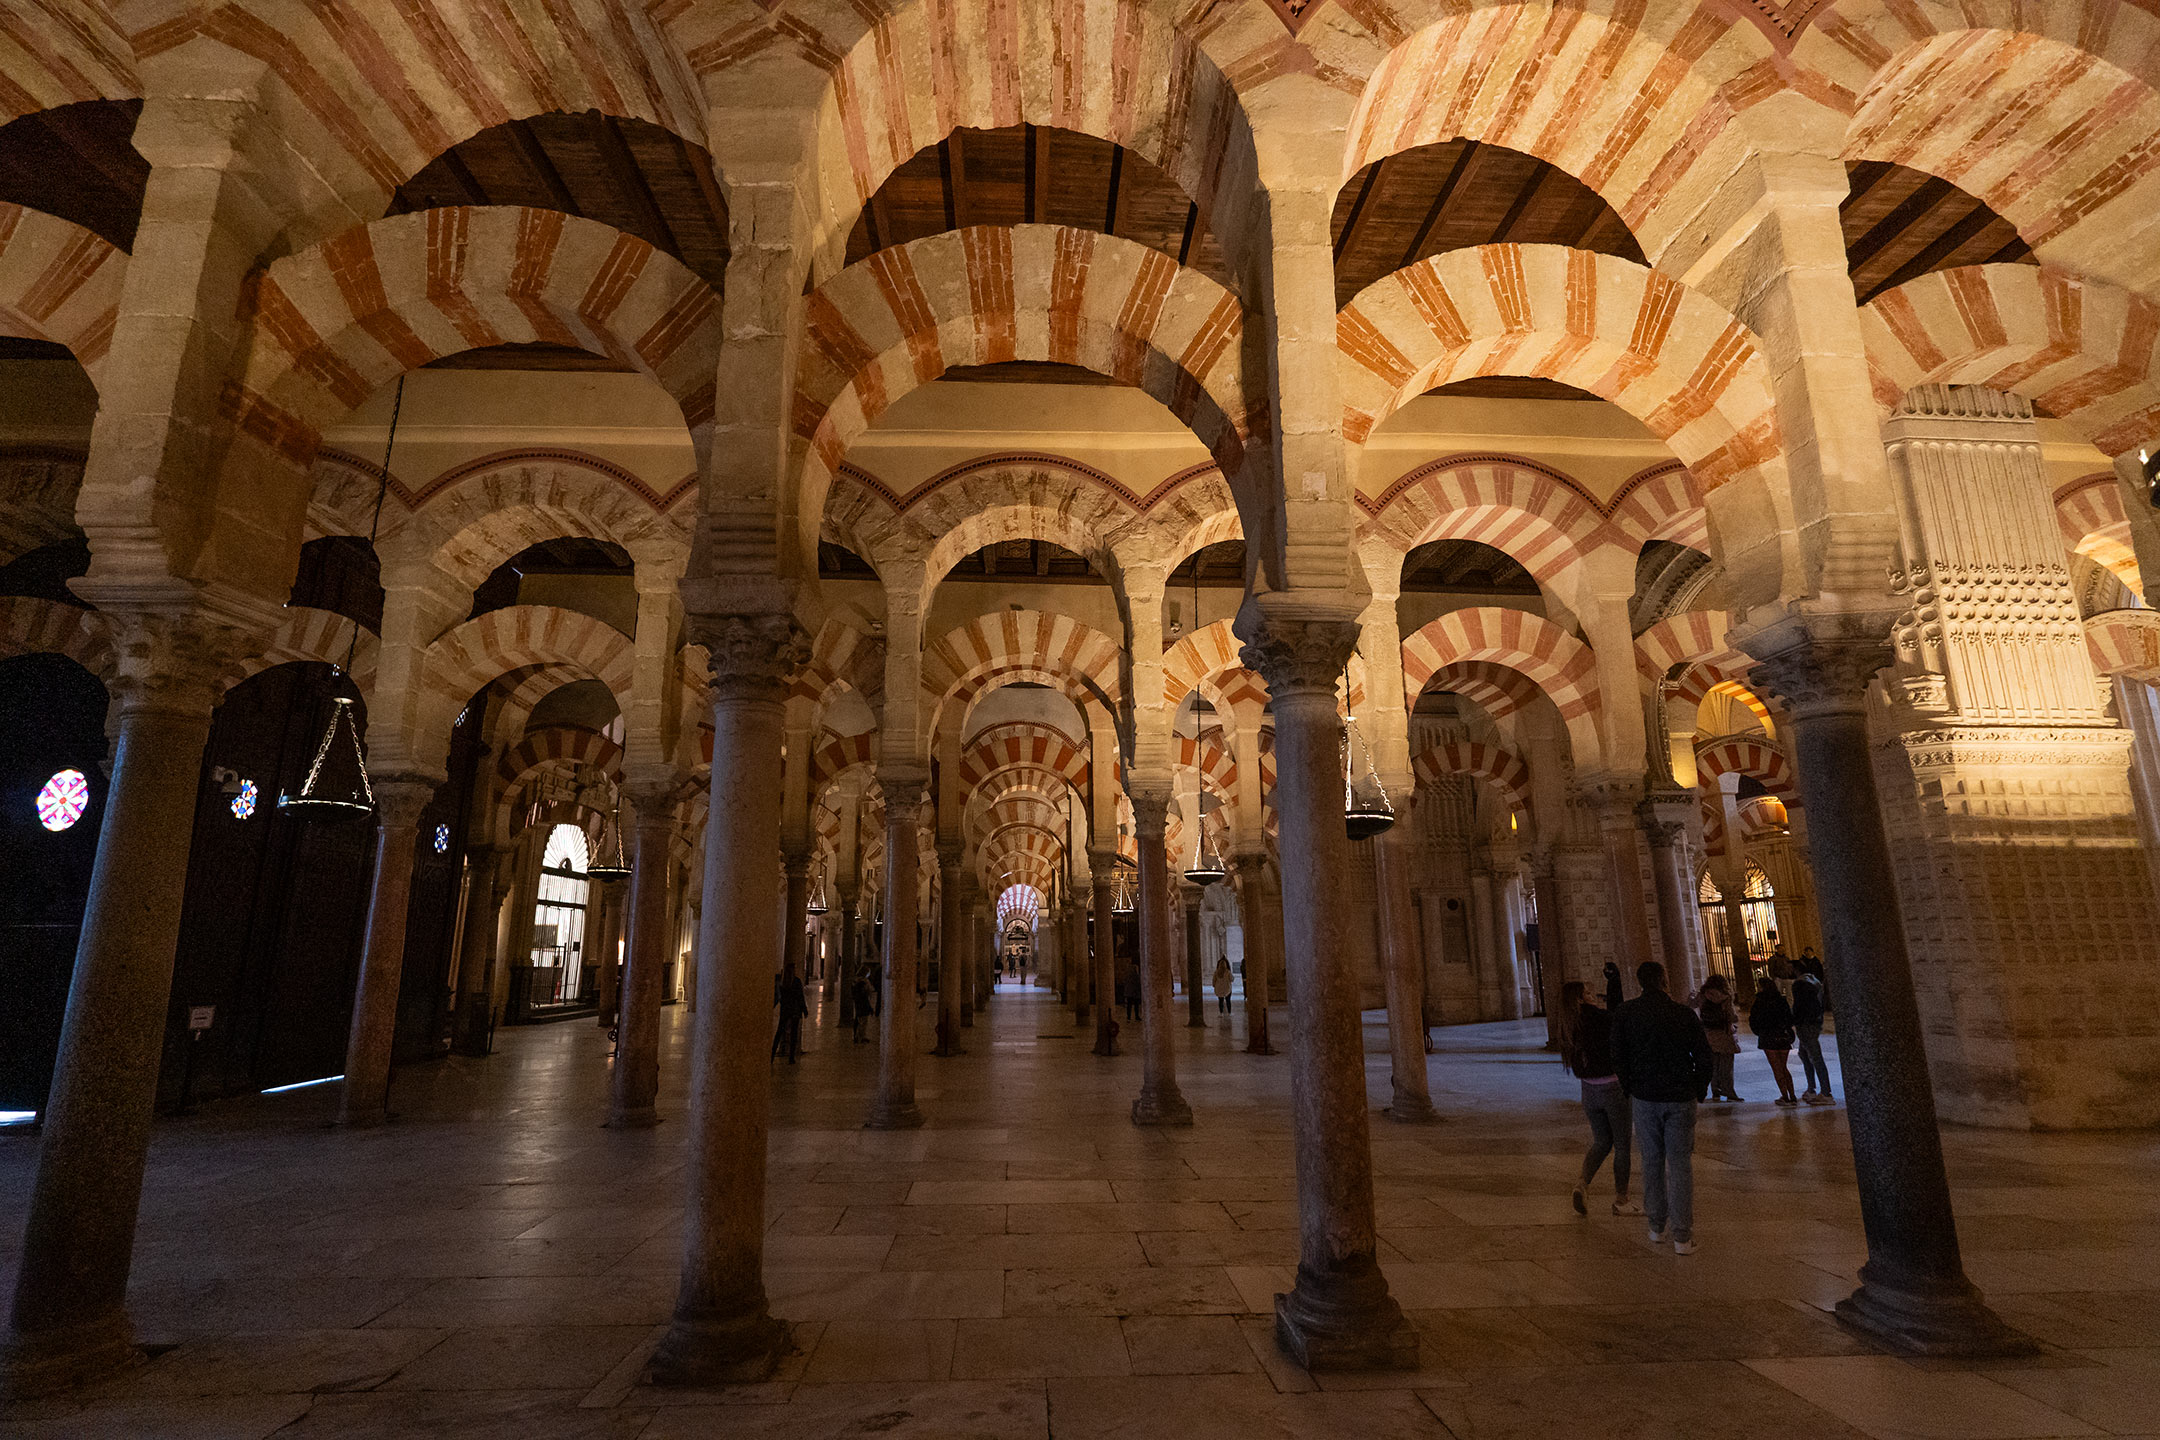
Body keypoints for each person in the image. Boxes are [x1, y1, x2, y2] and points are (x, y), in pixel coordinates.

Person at [1611, 961, 1711, 1254]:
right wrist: (1699, 1088)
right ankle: (1682, 1237)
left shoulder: (1626, 1013)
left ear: (1639, 982)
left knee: (1651, 1162)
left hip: (1645, 1097)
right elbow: (1703, 1055)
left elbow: (1617, 1055)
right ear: (1665, 981)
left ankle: (1656, 1228)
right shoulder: (1682, 1014)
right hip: (1680, 1096)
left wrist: (1631, 1086)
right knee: (1680, 1165)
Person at [1554, 981, 1641, 1218]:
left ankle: (1582, 1183)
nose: (1594, 996)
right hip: (1612, 1087)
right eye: (1589, 993)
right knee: (1622, 1144)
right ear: (1580, 999)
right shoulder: (1603, 1019)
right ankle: (1622, 1199)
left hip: (1588, 1091)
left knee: (1602, 1141)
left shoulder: (1568, 1024)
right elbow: (1624, 1045)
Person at [1748, 980, 1799, 1105]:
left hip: (1768, 1037)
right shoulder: (1781, 1000)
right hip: (1782, 1036)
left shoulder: (1759, 1002)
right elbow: (1789, 1018)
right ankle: (1792, 1095)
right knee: (1783, 1067)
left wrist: (1759, 1031)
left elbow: (1754, 1020)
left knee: (1777, 1068)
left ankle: (1785, 1096)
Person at [1696, 974, 1742, 1102]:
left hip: (1709, 1034)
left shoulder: (1703, 995)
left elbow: (1691, 1004)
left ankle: (1715, 1091)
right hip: (1724, 1035)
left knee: (1714, 1066)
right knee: (1726, 1066)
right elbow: (1732, 1016)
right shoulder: (1725, 997)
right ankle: (1729, 1093)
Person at [1792, 965, 1833, 1104]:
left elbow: (1799, 1006)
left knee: (1815, 1057)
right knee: (1804, 1054)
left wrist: (1795, 1019)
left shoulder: (1799, 984)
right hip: (1815, 1022)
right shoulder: (1815, 982)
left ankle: (1826, 1092)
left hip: (1805, 1024)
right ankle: (1811, 1088)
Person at [772, 969, 808, 1064]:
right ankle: (791, 1057)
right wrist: (804, 1010)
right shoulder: (796, 981)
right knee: (793, 1035)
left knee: (779, 1033)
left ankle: (771, 1056)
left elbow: (777, 996)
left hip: (785, 1010)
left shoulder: (782, 982)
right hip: (795, 1011)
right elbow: (800, 997)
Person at [849, 968, 874, 1044]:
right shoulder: (863, 982)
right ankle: (860, 1037)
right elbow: (868, 992)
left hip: (858, 1002)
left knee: (859, 1019)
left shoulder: (855, 981)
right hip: (863, 1002)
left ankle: (857, 1036)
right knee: (863, 1021)